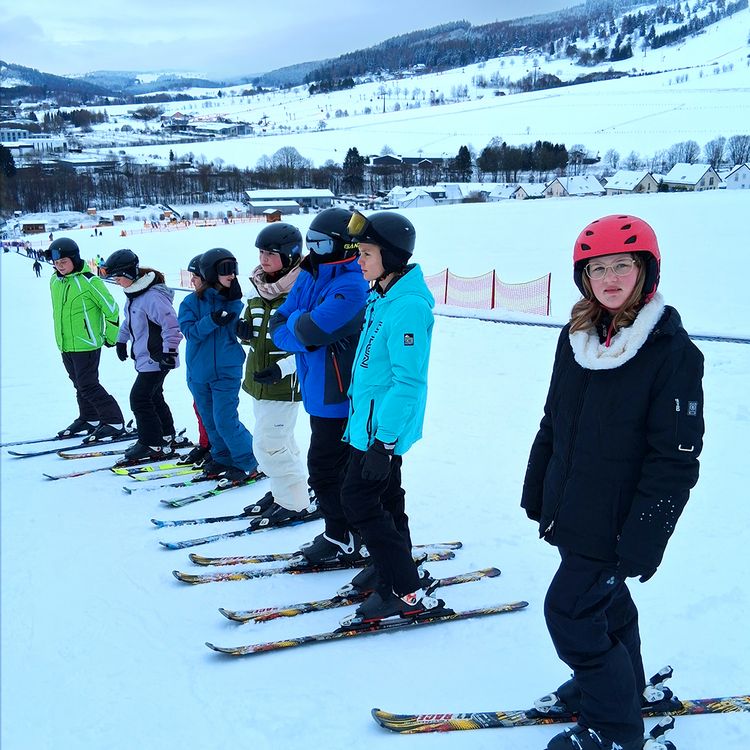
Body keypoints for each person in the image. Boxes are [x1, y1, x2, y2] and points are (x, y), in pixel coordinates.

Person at [520, 215, 704, 750]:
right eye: (597, 268)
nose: (610, 278)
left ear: (646, 270)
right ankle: (623, 686)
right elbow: (554, 420)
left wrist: (647, 534)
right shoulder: (577, 338)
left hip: (619, 520)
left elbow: (675, 459)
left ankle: (615, 728)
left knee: (571, 612)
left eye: (622, 265)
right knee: (606, 604)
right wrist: (539, 486)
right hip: (573, 506)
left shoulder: (672, 353)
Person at [336, 210, 445, 625]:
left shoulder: (408, 307)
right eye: (359, 252)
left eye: (367, 253)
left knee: (359, 500)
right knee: (386, 499)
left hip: (381, 429)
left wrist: (383, 442)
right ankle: (392, 567)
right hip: (367, 423)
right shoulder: (383, 295)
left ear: (393, 257)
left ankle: (404, 588)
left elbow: (408, 382)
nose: (359, 261)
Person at [270, 207, 369, 564]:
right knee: (330, 469)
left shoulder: (352, 284)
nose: (313, 249)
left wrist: (299, 325)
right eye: (309, 240)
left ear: (345, 245)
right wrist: (299, 326)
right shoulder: (310, 274)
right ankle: (344, 532)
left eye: (322, 243)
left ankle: (346, 535)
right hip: (316, 387)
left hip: (338, 394)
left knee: (326, 469)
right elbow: (280, 324)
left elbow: (310, 331)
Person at [239, 222, 309, 522]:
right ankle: (287, 490)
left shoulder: (301, 292)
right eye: (261, 252)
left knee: (270, 445)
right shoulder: (258, 291)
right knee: (282, 442)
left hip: (284, 383)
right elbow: (255, 335)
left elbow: (308, 343)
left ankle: (294, 503)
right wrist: (242, 332)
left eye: (271, 253)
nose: (263, 258)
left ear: (290, 256)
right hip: (259, 381)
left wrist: (282, 369)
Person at [178, 248, 258, 484]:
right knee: (210, 421)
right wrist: (211, 320)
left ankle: (248, 461)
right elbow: (190, 333)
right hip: (199, 372)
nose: (232, 275)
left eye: (233, 269)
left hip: (226, 370)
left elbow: (241, 333)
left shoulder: (235, 303)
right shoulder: (190, 303)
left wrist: (245, 332)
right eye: (225, 270)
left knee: (225, 419)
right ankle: (222, 458)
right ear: (211, 273)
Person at [105, 249, 184, 461]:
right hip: (146, 357)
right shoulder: (135, 295)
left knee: (139, 398)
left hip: (158, 357)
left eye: (118, 277)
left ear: (129, 274)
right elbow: (129, 320)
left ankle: (151, 443)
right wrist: (121, 340)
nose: (117, 281)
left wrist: (169, 353)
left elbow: (171, 326)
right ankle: (165, 435)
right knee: (154, 396)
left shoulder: (152, 297)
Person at [46, 237, 126, 440]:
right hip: (66, 344)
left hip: (87, 344)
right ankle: (90, 417)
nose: (59, 266)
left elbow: (112, 309)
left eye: (64, 261)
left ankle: (114, 421)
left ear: (74, 259)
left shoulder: (90, 281)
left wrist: (111, 338)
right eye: (56, 262)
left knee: (88, 385)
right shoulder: (55, 281)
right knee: (78, 384)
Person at [175, 254, 212, 467]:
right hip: (196, 366)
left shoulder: (221, 302)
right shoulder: (191, 302)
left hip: (212, 368)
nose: (192, 281)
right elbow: (189, 331)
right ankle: (206, 444)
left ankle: (216, 447)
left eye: (196, 277)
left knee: (215, 412)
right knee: (200, 407)